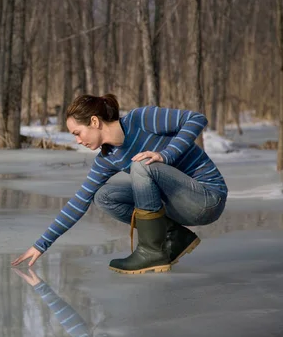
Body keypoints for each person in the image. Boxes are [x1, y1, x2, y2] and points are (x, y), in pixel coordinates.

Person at [11, 94, 228, 274]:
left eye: (78, 132)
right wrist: (41, 244)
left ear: (94, 122)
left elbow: (196, 119)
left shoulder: (141, 119)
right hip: (176, 204)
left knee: (141, 165)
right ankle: (173, 236)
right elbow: (79, 201)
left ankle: (150, 252)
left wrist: (166, 155)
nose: (77, 140)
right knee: (103, 196)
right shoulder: (107, 158)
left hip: (206, 197)